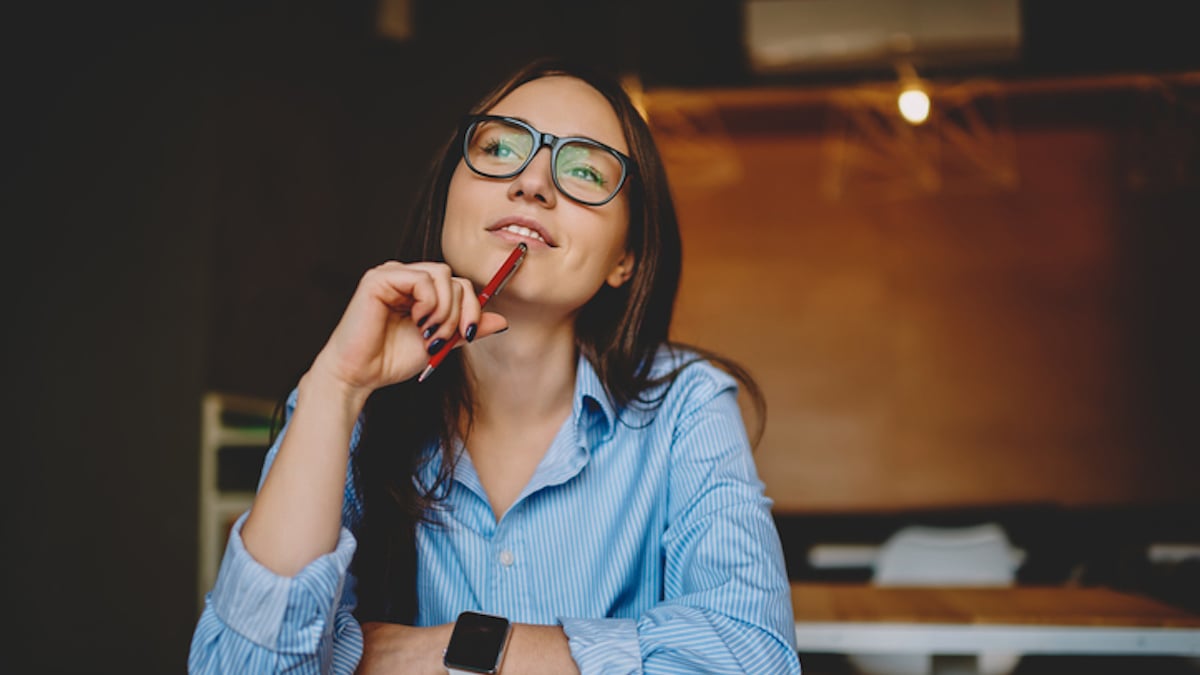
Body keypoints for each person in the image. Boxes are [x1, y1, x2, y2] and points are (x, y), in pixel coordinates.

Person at [189, 57, 801, 674]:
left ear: (627, 258)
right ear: (448, 196)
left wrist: (440, 653)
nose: (533, 182)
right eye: (500, 146)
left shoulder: (687, 405)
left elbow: (752, 659)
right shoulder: (348, 399)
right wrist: (336, 387)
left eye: (585, 169)